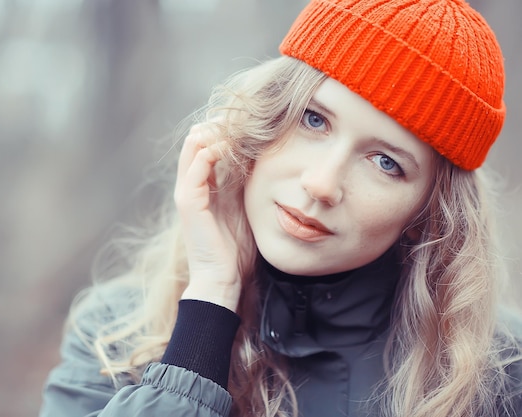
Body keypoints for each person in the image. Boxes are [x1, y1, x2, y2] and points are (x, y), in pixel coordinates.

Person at [38, 0, 522, 416]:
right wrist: (209, 306)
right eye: (314, 119)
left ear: (430, 212)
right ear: (262, 120)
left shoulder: (501, 373)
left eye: (385, 162)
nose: (321, 183)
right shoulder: (119, 332)